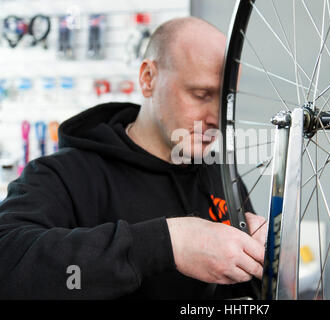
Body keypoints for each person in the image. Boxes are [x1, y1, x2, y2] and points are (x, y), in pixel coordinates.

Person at [0, 17, 267, 299]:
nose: (216, 118)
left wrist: (261, 262)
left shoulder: (220, 174)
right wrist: (167, 243)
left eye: (225, 100)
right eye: (200, 94)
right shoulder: (65, 175)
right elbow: (9, 267)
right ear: (148, 79)